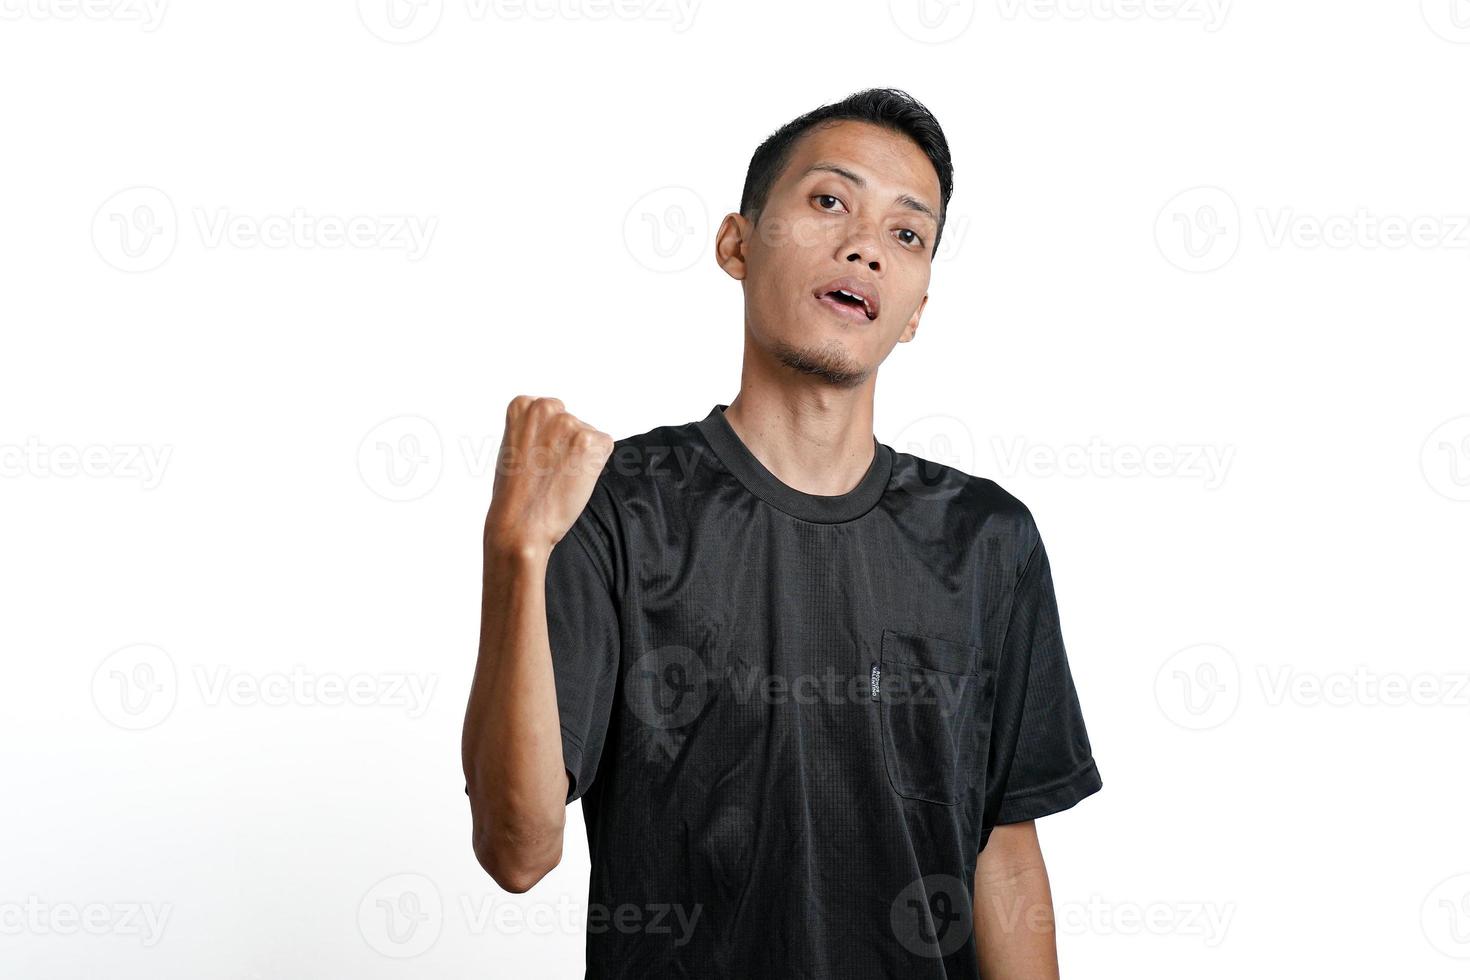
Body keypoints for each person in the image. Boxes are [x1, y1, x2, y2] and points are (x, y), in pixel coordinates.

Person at [462, 87, 1102, 979]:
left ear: (917, 310)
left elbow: (1001, 847)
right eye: (830, 201)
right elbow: (517, 849)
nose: (864, 246)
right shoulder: (617, 507)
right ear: (736, 243)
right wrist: (514, 554)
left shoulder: (987, 541)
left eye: (907, 234)